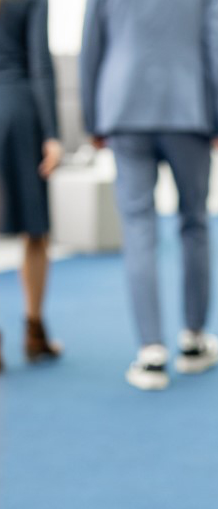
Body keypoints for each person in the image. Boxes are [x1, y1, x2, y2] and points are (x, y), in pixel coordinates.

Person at [80, 0, 218, 390]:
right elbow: (217, 45)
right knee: (194, 224)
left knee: (137, 228)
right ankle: (194, 341)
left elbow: (91, 47)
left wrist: (92, 117)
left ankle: (151, 354)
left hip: (124, 107)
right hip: (188, 108)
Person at [0, 0, 63, 372]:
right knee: (35, 229)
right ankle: (35, 332)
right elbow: (41, 63)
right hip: (21, 112)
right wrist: (52, 133)